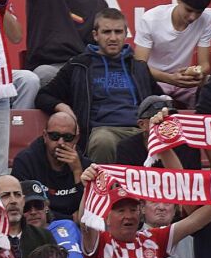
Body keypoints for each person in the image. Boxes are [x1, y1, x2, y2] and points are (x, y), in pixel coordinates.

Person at [40, 9, 158, 162]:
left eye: (118, 32)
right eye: (107, 32)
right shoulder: (79, 65)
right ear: (95, 35)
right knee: (103, 140)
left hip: (140, 130)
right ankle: (100, 186)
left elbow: (157, 100)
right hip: (102, 131)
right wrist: (64, 108)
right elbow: (43, 96)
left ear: (125, 34)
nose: (113, 38)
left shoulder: (139, 67)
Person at [133, 0, 211, 106]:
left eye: (199, 12)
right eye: (189, 10)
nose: (193, 17)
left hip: (185, 82)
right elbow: (140, 66)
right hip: (155, 80)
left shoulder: (206, 20)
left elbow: (205, 65)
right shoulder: (151, 19)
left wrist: (196, 74)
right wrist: (170, 79)